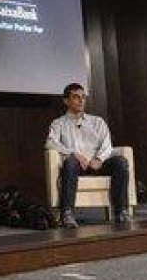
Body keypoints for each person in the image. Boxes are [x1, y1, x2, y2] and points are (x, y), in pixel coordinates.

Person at [45, 83, 131, 228]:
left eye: (83, 97)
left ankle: (121, 211)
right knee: (70, 162)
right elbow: (50, 143)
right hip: (76, 166)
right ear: (66, 101)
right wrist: (73, 153)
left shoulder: (97, 122)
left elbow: (107, 145)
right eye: (76, 97)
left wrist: (99, 159)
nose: (81, 100)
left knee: (120, 162)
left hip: (97, 164)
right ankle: (67, 213)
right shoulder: (58, 123)